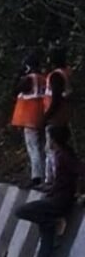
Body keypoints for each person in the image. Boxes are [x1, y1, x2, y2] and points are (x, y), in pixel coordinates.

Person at [14, 125, 79, 257]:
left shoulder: (63, 156)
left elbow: (80, 172)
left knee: (21, 211)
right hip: (56, 196)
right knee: (46, 236)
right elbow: (59, 181)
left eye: (48, 138)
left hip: (59, 201)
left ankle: (54, 221)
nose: (46, 141)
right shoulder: (60, 155)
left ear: (54, 140)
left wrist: (79, 192)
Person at [11, 51, 46, 187]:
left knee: (34, 148)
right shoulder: (43, 78)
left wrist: (20, 74)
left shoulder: (28, 79)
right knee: (42, 148)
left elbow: (15, 90)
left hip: (30, 119)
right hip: (42, 117)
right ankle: (45, 177)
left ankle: (37, 177)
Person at [44, 47, 73, 185]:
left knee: (53, 150)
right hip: (63, 115)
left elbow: (55, 98)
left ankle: (55, 180)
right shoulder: (65, 73)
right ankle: (53, 179)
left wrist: (46, 116)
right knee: (57, 149)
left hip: (55, 117)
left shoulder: (56, 76)